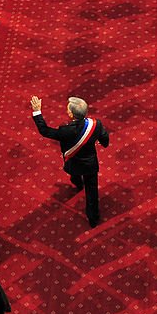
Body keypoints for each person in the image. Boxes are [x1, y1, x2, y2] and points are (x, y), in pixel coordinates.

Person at [30, 95, 111, 227]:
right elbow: (105, 140)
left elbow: (45, 131)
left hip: (74, 163)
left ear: (71, 114)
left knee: (75, 177)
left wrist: (37, 111)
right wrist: (102, 142)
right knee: (92, 191)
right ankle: (93, 218)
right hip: (90, 165)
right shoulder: (96, 125)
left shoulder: (65, 130)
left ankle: (78, 184)